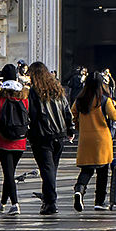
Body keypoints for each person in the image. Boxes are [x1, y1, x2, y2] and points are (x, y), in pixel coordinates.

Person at [26, 61, 73, 215]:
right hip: (59, 135)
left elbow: (32, 114)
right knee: (51, 170)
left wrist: (29, 132)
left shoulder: (34, 92)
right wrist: (70, 128)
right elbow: (67, 109)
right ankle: (47, 198)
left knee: (47, 170)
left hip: (42, 136)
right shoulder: (57, 89)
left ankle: (51, 201)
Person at [71, 73, 116, 212]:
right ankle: (99, 201)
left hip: (86, 139)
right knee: (103, 171)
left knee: (86, 169)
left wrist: (78, 125)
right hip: (102, 139)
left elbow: (73, 114)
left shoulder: (80, 100)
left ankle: (79, 189)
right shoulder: (104, 100)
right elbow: (114, 116)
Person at [0, 63, 28, 215]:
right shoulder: (24, 99)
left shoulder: (0, 98)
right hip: (20, 141)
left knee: (8, 173)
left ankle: (15, 203)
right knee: (9, 172)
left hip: (3, 141)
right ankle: (2, 202)